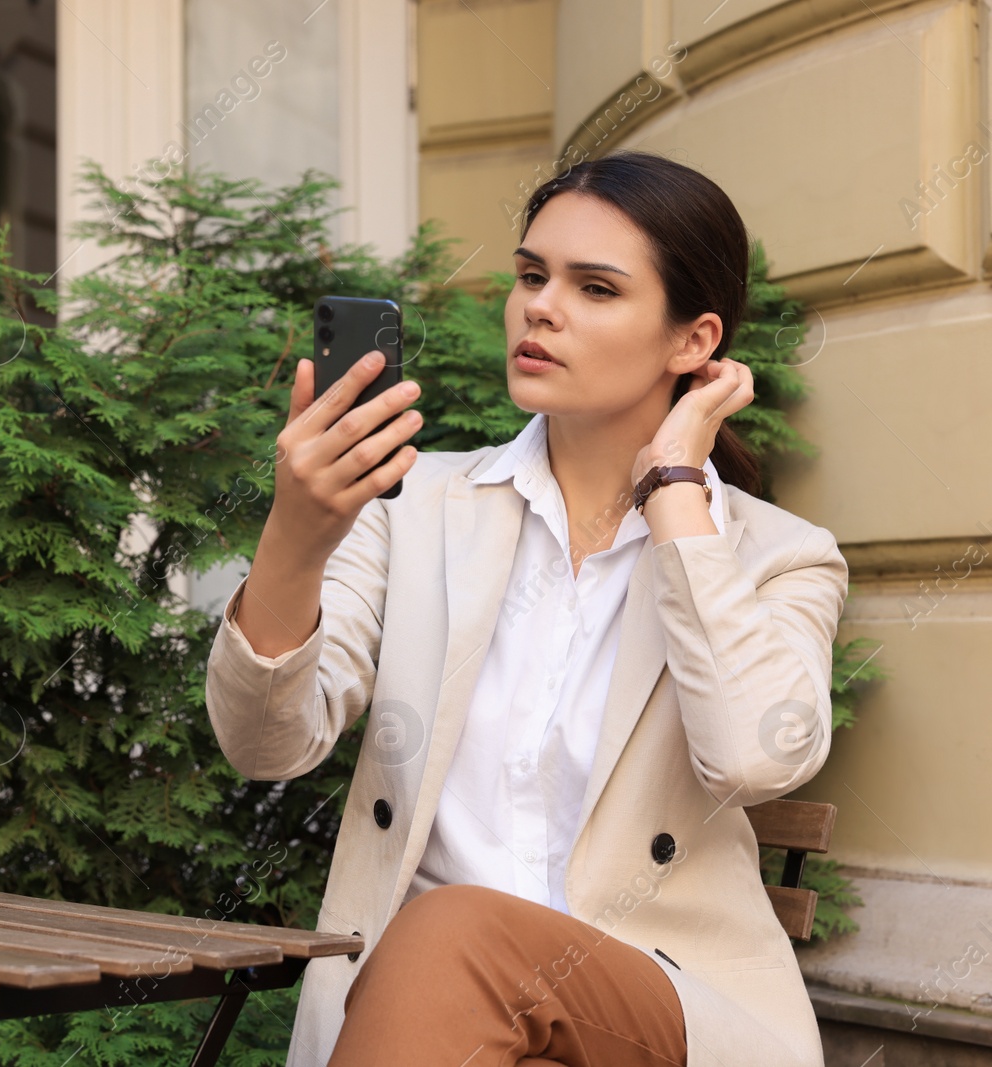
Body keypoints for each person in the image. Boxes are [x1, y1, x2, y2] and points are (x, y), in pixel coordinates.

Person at [204, 149, 847, 1067]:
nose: (540, 306)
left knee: (455, 923)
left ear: (693, 341)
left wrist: (674, 492)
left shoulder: (780, 556)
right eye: (532, 275)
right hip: (430, 1017)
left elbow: (754, 758)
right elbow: (267, 746)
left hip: (658, 1010)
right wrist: (297, 535)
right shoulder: (413, 505)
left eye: (595, 288)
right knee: (448, 944)